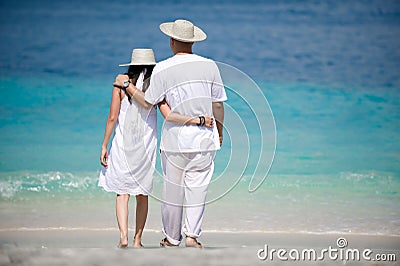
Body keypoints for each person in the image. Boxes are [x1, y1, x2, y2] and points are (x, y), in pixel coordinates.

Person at [114, 19, 227, 248]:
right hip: (205, 137)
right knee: (198, 189)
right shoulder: (210, 65)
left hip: (175, 140)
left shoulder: (163, 68)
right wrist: (219, 129)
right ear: (193, 41)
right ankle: (192, 237)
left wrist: (127, 86)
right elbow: (217, 105)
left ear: (172, 41)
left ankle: (172, 238)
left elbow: (148, 102)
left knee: (173, 191)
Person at [99, 48, 214, 248]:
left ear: (131, 65)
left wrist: (104, 144)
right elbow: (168, 115)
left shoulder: (120, 86)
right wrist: (198, 120)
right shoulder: (156, 86)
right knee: (142, 193)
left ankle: (123, 237)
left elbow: (112, 117)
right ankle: (137, 241)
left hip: (122, 143)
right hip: (146, 145)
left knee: (122, 192)